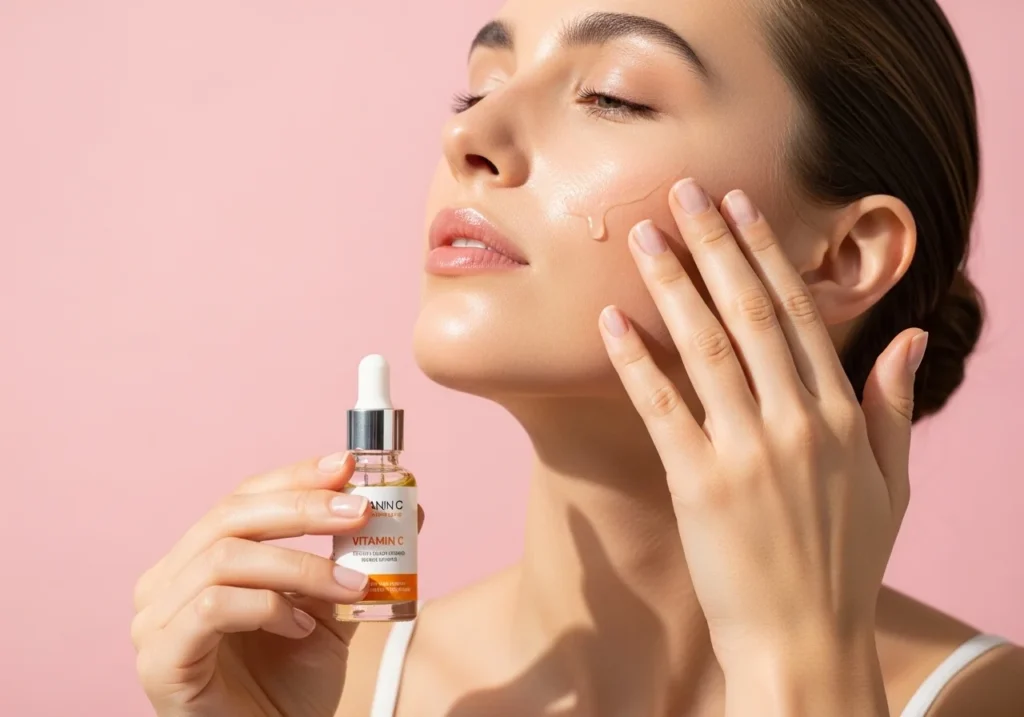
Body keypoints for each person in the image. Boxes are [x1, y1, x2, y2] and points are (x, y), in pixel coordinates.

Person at [131, 0, 1024, 714]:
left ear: (845, 255)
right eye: (478, 86)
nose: (468, 135)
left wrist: (802, 672)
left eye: (613, 95)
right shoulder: (327, 687)